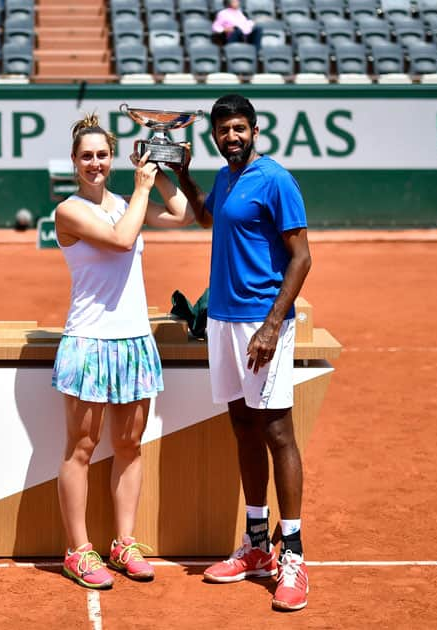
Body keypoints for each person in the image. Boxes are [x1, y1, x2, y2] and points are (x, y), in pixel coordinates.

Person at [172, 94, 313, 611]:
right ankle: (256, 544)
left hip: (261, 322)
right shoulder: (228, 178)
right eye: (223, 130)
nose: (231, 136)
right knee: (242, 425)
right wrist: (185, 177)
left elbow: (302, 257)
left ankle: (293, 552)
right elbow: (209, 217)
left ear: (254, 129)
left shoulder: (276, 180)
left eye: (238, 128)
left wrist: (273, 324)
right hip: (225, 320)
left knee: (277, 430)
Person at [53, 114, 195, 589]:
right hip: (89, 341)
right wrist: (140, 187)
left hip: (133, 340)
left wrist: (164, 168)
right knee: (82, 448)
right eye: (86, 156)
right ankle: (78, 550)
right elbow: (120, 239)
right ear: (75, 162)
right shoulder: (69, 211)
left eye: (102, 154)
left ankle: (123, 543)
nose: (95, 163)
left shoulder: (125, 200)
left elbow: (182, 215)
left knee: (129, 447)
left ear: (113, 158)